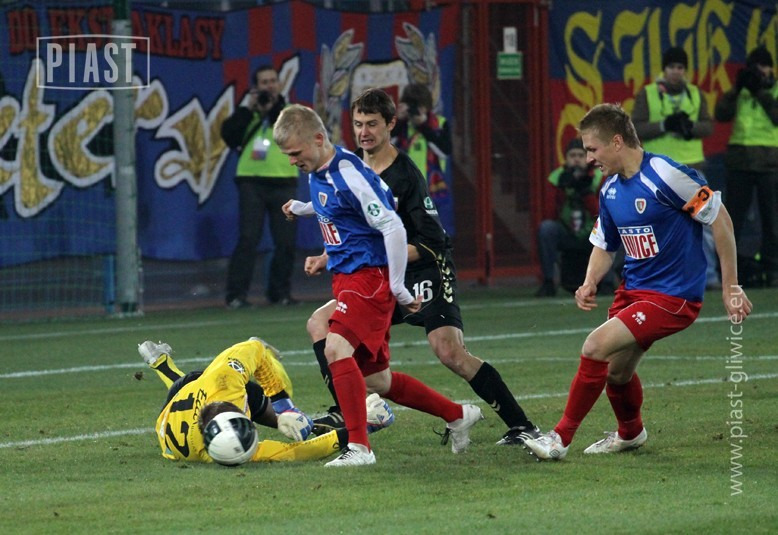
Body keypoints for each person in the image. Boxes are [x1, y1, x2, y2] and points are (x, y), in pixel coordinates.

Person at [303, 88, 539, 446]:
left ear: (391, 124)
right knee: (322, 325)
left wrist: (383, 259)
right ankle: (348, 411)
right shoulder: (348, 167)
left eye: (372, 124)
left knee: (449, 352)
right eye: (358, 124)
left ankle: (521, 426)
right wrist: (327, 255)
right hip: (378, 276)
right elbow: (351, 226)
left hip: (422, 270)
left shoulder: (406, 176)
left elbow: (432, 241)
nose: (364, 132)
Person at [523, 103, 752, 461]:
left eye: (592, 149)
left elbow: (720, 219)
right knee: (617, 374)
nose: (588, 159)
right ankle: (630, 434)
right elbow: (605, 244)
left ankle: (559, 439)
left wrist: (731, 286)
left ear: (617, 142)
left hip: (673, 297)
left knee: (594, 346)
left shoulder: (665, 174)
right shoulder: (610, 189)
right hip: (633, 292)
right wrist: (589, 281)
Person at [275, 104, 483, 467]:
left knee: (334, 346)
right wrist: (304, 208)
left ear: (318, 139)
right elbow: (337, 204)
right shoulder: (322, 168)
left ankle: (359, 447)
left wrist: (398, 285)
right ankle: (457, 414)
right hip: (347, 278)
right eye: (288, 155)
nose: (292, 161)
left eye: (295, 153)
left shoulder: (348, 172)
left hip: (368, 279)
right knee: (378, 381)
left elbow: (392, 225)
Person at [138, 337, 345, 463]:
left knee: (278, 394)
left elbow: (254, 348)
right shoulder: (242, 451)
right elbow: (298, 452)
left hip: (175, 407)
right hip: (176, 408)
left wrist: (283, 404)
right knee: (279, 415)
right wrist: (359, 429)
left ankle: (161, 362)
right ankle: (160, 362)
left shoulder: (225, 381)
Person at [632, 46, 720, 290]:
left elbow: (708, 126)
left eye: (680, 67)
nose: (675, 72)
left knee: (704, 222)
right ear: (664, 69)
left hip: (692, 172)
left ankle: (709, 277)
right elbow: (635, 128)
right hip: (658, 173)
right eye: (671, 67)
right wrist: (664, 125)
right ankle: (656, 278)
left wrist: (689, 127)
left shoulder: (695, 93)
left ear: (685, 70)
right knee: (655, 224)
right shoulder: (648, 93)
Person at [221, 65, 299, 308]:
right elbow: (229, 136)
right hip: (251, 181)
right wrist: (248, 108)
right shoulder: (247, 113)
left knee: (285, 241)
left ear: (280, 84)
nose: (269, 86)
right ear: (256, 87)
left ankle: (280, 293)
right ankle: (236, 295)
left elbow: (291, 133)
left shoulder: (289, 112)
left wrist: (273, 108)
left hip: (284, 180)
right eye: (264, 82)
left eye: (273, 81)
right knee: (248, 239)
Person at [714, 45, 778, 287]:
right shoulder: (741, 91)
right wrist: (736, 89)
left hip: (770, 162)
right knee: (733, 220)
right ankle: (731, 271)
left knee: (772, 221)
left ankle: (773, 269)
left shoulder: (773, 90)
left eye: (764, 66)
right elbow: (721, 114)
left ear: (771, 68)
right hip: (740, 160)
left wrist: (759, 91)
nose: (760, 71)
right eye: (755, 67)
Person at [535, 138, 604, 297]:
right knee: (546, 229)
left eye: (581, 155)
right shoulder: (556, 177)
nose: (576, 160)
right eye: (572, 156)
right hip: (566, 231)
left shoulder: (598, 176)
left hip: (591, 233)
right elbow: (549, 215)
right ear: (565, 158)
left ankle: (606, 283)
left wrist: (586, 193)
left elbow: (602, 214)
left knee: (609, 228)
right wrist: (561, 189)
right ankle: (548, 282)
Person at [392, 83, 451, 199]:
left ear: (427, 106)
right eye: (413, 106)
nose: (417, 110)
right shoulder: (401, 125)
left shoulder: (439, 124)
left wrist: (423, 126)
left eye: (420, 106)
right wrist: (398, 120)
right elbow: (383, 149)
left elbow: (444, 152)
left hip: (430, 189)